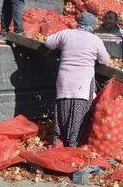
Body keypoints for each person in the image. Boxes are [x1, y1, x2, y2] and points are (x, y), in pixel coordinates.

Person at [45, 12, 110, 147]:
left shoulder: (66, 34)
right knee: (79, 114)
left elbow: (48, 42)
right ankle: (72, 144)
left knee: (62, 108)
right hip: (82, 84)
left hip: (64, 81)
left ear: (79, 23)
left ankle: (58, 140)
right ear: (92, 26)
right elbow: (105, 60)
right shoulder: (95, 40)